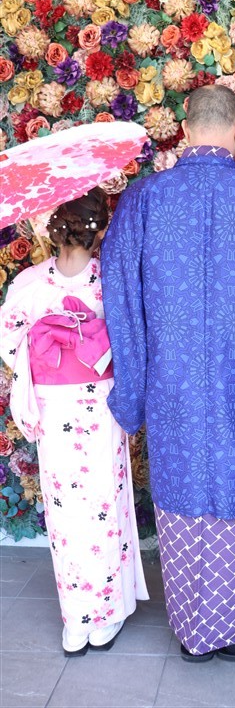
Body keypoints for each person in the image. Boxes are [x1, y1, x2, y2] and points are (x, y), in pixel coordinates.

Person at [101, 85, 235, 662]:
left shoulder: (144, 200)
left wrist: (133, 391)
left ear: (186, 130)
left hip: (171, 384)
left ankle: (193, 633)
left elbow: (120, 298)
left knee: (182, 488)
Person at [0, 188, 148, 657]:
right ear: (99, 231)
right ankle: (103, 616)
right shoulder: (108, 282)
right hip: (99, 405)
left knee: (66, 512)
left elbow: (8, 343)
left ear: (54, 228)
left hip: (53, 407)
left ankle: (76, 621)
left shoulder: (29, 283)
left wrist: (45, 351)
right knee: (104, 503)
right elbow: (132, 342)